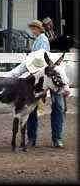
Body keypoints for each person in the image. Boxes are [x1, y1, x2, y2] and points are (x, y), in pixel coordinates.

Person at [7, 19, 69, 148]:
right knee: (42, 107)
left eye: (33, 28)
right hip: (41, 78)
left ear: (38, 28)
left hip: (48, 76)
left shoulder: (42, 40)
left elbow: (43, 60)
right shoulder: (39, 40)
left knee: (52, 106)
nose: (32, 31)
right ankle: (45, 138)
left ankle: (44, 138)